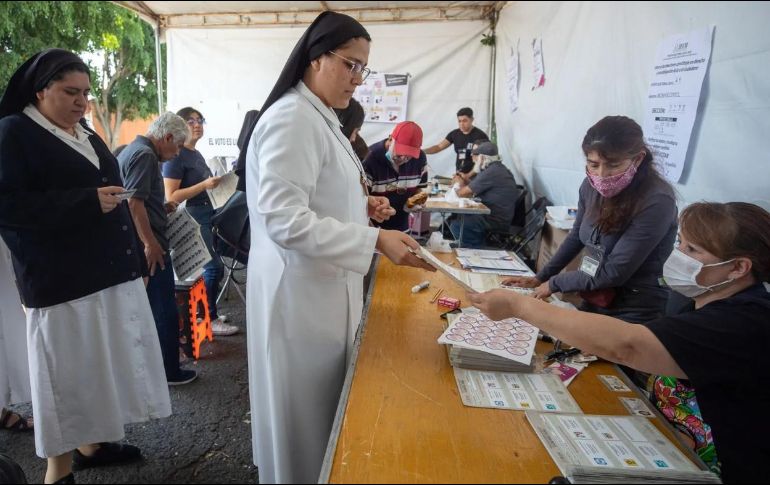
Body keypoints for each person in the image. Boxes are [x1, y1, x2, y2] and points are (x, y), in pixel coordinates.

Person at [236, 11, 434, 483]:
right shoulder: (291, 118)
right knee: (300, 426)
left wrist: (361, 204)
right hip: (299, 297)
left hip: (321, 289)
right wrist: (373, 239)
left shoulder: (319, 115)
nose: (356, 79)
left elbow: (315, 191)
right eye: (349, 64)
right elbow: (284, 219)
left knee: (321, 414)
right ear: (315, 57)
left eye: (362, 68)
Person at [469, 201, 770, 484]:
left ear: (738, 268)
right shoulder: (702, 302)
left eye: (692, 249)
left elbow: (629, 346)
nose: (677, 255)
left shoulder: (746, 321)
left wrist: (519, 307)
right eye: (679, 243)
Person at [0, 48, 171, 484]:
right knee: (64, 378)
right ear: (39, 92)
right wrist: (83, 203)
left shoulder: (85, 133)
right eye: (69, 92)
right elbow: (8, 206)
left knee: (101, 369)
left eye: (86, 94)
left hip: (107, 274)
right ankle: (58, 470)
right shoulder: (13, 133)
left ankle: (92, 445)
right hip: (62, 284)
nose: (81, 102)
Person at [505, 116, 678, 324]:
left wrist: (555, 283)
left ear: (638, 159)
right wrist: (540, 276)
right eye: (593, 164)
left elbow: (614, 272)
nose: (602, 175)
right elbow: (577, 235)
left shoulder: (657, 201)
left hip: (633, 306)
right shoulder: (590, 187)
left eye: (613, 165)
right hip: (594, 292)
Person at [118, 112, 199, 386]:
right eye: (176, 146)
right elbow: (133, 203)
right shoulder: (145, 155)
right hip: (150, 246)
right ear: (166, 138)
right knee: (163, 310)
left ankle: (163, 367)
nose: (176, 154)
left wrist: (160, 206)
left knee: (158, 308)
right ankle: (169, 371)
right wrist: (150, 243)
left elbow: (139, 199)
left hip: (140, 241)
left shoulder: (136, 150)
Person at [162, 107, 239, 336]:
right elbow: (172, 197)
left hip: (208, 214)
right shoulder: (176, 156)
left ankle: (206, 313)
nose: (197, 124)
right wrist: (204, 186)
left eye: (200, 120)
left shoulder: (195, 154)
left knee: (214, 269)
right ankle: (208, 318)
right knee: (213, 268)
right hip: (193, 217)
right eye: (190, 121)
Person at [449, 141, 520, 248]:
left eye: (476, 155)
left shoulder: (492, 172)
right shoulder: (496, 168)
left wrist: (458, 183)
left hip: (495, 219)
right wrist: (464, 180)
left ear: (483, 158)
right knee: (459, 217)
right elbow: (474, 186)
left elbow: (462, 193)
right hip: (498, 215)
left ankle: (474, 250)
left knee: (457, 225)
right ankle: (467, 245)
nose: (473, 157)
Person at [362, 121, 428, 231]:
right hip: (373, 229)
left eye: (408, 156)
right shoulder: (370, 158)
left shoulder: (420, 159)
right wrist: (376, 234)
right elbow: (360, 199)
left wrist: (417, 201)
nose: (403, 159)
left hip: (402, 228)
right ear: (391, 139)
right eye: (400, 152)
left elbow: (418, 189)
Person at [424, 107, 489, 174]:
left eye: (465, 121)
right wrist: (422, 151)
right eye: (459, 121)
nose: (461, 124)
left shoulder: (481, 136)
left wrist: (468, 176)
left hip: (476, 175)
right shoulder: (454, 134)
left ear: (472, 119)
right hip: (460, 174)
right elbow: (439, 147)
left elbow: (483, 160)